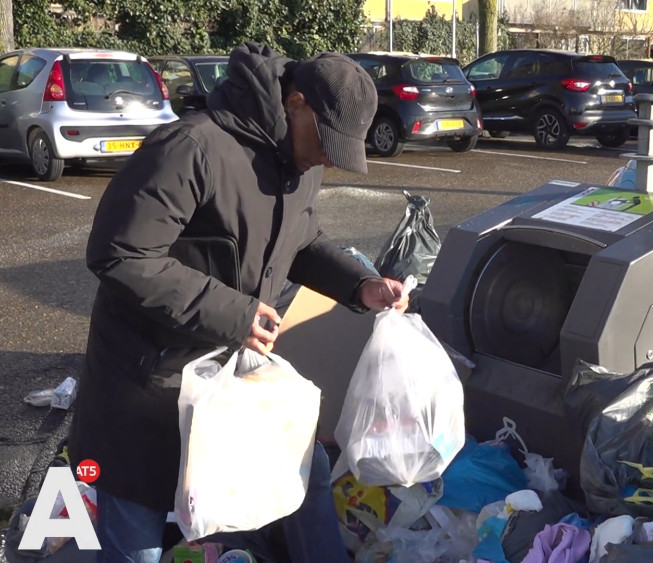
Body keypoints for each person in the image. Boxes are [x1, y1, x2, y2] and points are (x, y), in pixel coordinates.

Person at [68, 43, 406, 562]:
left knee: (306, 471)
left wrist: (361, 285)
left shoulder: (301, 160)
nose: (326, 159)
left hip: (232, 379)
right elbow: (119, 254)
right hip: (149, 389)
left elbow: (304, 242)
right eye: (326, 141)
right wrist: (237, 314)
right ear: (295, 102)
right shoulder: (190, 147)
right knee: (137, 543)